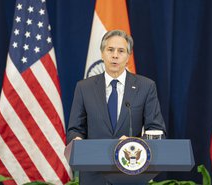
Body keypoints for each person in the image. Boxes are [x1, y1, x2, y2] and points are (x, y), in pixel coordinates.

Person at [67, 29, 166, 185]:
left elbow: (157, 130)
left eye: (121, 51)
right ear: (102, 53)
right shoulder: (84, 88)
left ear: (128, 56)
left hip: (131, 173)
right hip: (93, 175)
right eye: (110, 50)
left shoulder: (146, 87)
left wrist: (134, 144)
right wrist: (77, 140)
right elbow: (74, 129)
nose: (115, 55)